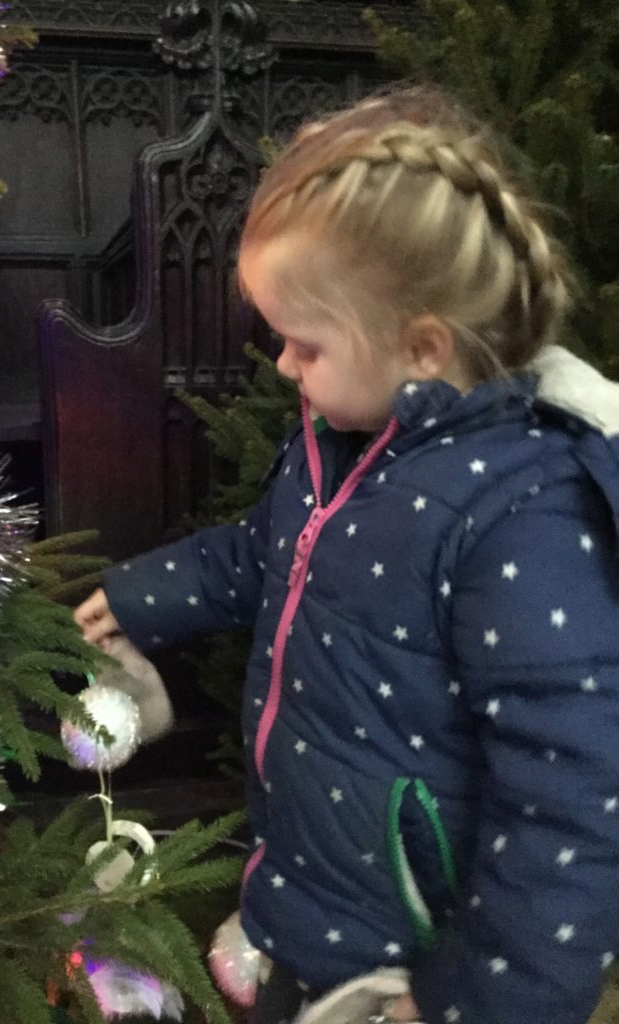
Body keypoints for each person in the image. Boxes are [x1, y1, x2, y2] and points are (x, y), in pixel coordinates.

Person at [75, 85, 619, 1024]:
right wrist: (137, 596)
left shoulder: (526, 512)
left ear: (423, 347)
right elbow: (263, 554)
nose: (285, 366)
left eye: (305, 344)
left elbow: (571, 806)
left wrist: (474, 1000)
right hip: (310, 894)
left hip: (409, 963)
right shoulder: (340, 445)